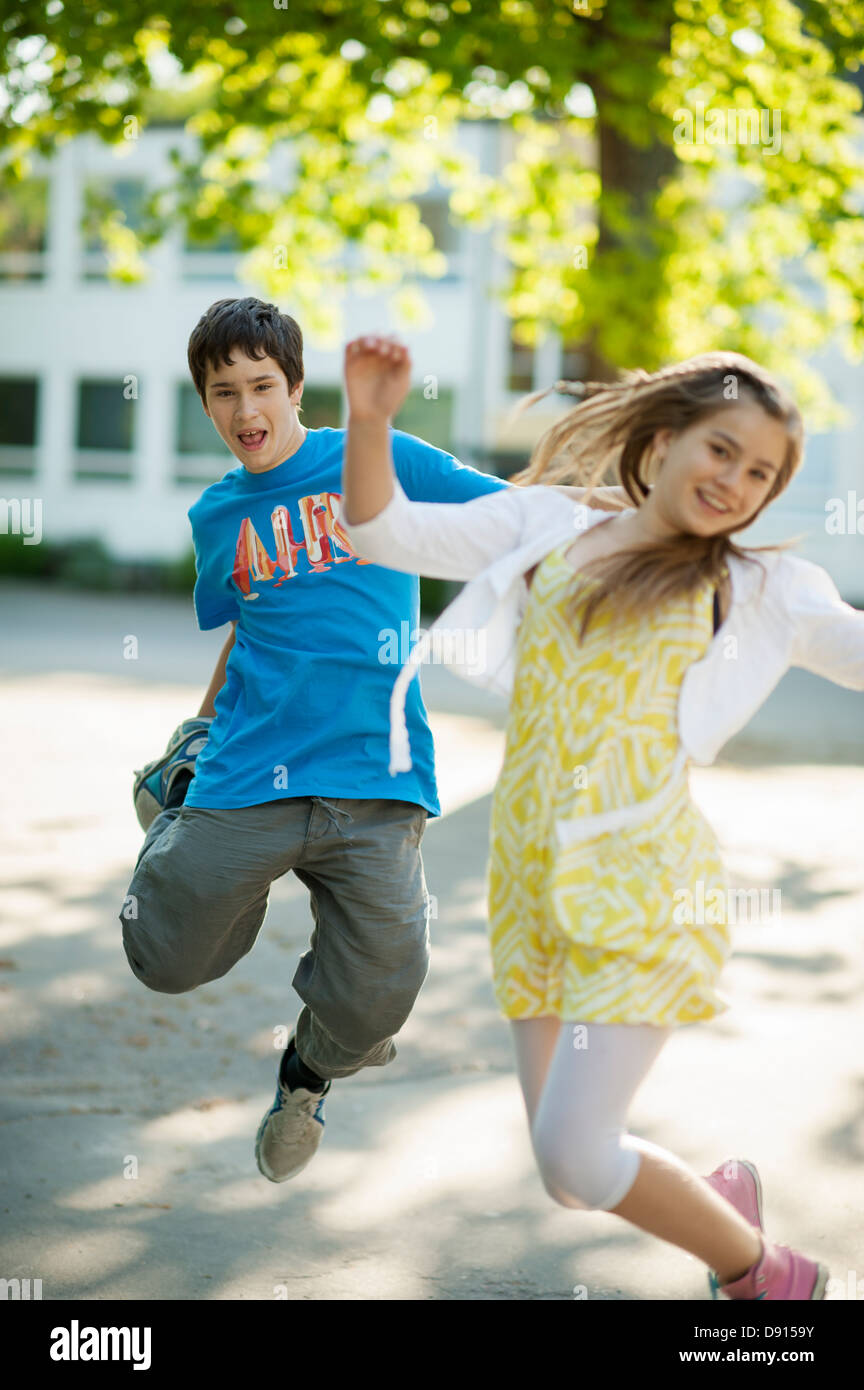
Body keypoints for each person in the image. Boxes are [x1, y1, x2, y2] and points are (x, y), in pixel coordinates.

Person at [340, 333, 864, 1300]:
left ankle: (771, 1277)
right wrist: (370, 422)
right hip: (532, 884)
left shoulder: (754, 587)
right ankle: (726, 1209)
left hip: (646, 890)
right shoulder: (544, 526)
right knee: (567, 1173)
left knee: (580, 1158)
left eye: (761, 473)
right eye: (721, 450)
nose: (736, 482)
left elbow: (853, 648)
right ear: (664, 437)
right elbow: (383, 532)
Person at [119, 297, 618, 1187]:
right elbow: (250, 624)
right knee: (167, 958)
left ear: (297, 386)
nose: (244, 411)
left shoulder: (379, 463)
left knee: (385, 987)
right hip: (248, 773)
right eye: (222, 392)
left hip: (376, 774)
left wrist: (619, 512)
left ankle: (308, 1076)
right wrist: (193, 734)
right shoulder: (218, 517)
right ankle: (180, 819)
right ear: (204, 402)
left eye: (261, 385)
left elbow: (514, 513)